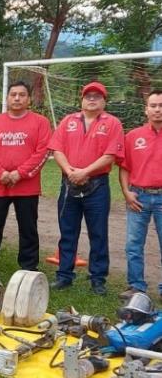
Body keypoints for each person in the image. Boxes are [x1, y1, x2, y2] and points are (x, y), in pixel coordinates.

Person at [48, 81, 124, 296]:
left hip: (97, 184)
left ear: (104, 101)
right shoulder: (68, 121)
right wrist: (71, 171)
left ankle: (98, 279)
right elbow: (56, 149)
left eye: (97, 96)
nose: (92, 99)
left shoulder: (113, 123)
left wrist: (84, 172)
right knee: (67, 231)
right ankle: (64, 275)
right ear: (81, 100)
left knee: (98, 233)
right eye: (88, 95)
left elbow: (110, 155)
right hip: (68, 182)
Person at [0, 81, 52, 276]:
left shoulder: (41, 122)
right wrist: (0, 173)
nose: (17, 98)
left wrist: (20, 173)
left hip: (26, 187)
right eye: (13, 94)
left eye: (21, 95)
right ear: (7, 98)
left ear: (29, 99)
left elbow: (43, 151)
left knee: (28, 228)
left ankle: (28, 268)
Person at [118, 89, 162, 301]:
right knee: (133, 244)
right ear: (146, 110)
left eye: (161, 106)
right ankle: (136, 286)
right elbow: (125, 167)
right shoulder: (133, 136)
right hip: (138, 196)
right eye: (153, 105)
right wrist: (127, 192)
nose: (157, 110)